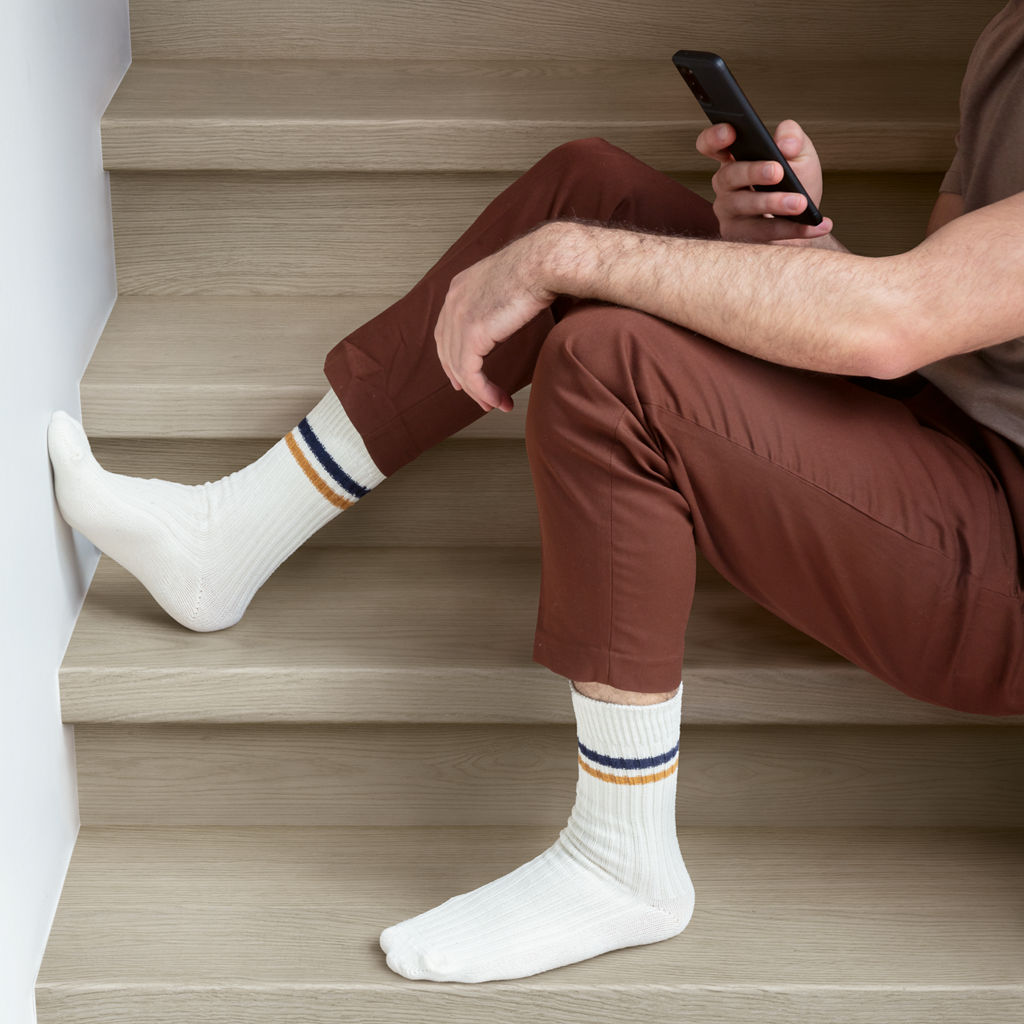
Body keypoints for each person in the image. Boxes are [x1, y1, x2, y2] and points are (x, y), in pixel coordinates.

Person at [47, 1, 1024, 985]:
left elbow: (894, 322)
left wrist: (559, 258)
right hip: (941, 424)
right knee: (591, 191)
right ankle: (233, 534)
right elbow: (948, 316)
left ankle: (620, 859)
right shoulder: (1005, 41)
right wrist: (803, 263)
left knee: (610, 363)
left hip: (1005, 557)